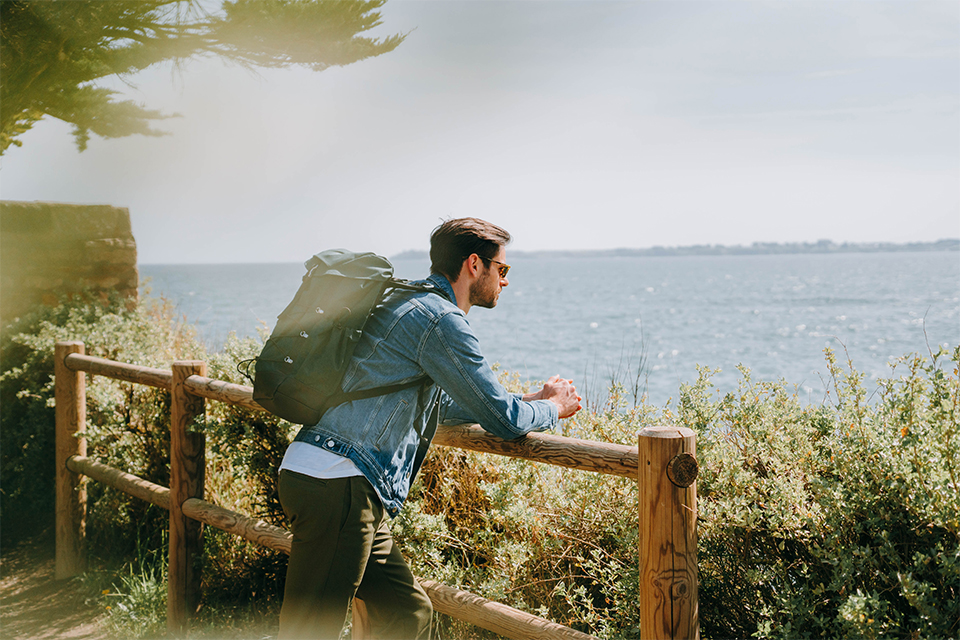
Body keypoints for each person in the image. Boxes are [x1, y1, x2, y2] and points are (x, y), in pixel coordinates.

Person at [277, 217, 582, 640]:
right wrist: (552, 407)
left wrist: (527, 400)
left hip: (330, 478)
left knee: (406, 613)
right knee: (309, 630)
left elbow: (442, 403)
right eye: (503, 269)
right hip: (340, 484)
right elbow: (505, 423)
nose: (505, 281)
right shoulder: (441, 321)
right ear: (475, 264)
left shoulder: (404, 302)